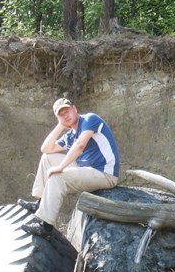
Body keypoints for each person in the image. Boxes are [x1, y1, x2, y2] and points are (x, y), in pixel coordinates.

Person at [19, 98, 120, 239]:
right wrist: (60, 126)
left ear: (75, 109)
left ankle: (46, 226)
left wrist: (61, 167)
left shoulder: (90, 119)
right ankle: (41, 203)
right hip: (85, 169)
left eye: (67, 111)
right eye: (61, 114)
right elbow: (46, 148)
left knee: (58, 177)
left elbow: (80, 145)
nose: (66, 115)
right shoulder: (71, 135)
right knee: (47, 158)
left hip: (104, 174)